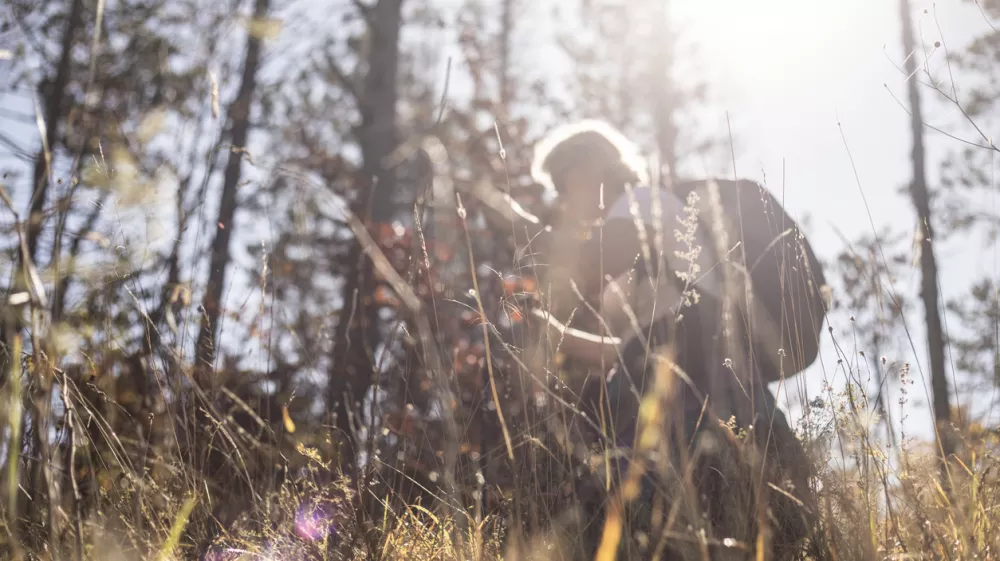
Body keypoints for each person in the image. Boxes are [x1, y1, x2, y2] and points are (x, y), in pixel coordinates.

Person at [469, 120, 830, 558]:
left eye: (563, 185)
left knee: (678, 520)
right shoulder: (630, 259)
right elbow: (633, 353)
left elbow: (596, 264)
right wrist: (556, 335)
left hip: (702, 392)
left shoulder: (644, 201)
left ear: (587, 170)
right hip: (693, 389)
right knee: (720, 525)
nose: (563, 201)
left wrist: (504, 215)